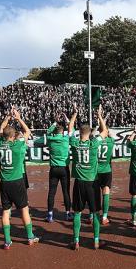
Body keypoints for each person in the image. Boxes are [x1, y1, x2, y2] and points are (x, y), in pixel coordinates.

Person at [0, 108, 39, 249]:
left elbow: (1, 130)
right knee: (24, 210)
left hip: (4, 183)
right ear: (14, 137)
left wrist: (7, 117)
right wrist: (19, 118)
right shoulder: (18, 145)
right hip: (17, 181)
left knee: (6, 212)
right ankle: (30, 237)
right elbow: (27, 132)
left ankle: (7, 241)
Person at [68, 104, 108, 250]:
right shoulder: (93, 144)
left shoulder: (75, 143)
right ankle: (96, 240)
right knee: (96, 212)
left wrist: (74, 114)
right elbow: (105, 131)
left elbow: (69, 129)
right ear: (90, 132)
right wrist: (99, 116)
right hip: (92, 183)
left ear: (80, 132)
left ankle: (76, 240)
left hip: (79, 183)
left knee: (77, 212)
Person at [45, 114, 71, 223]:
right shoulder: (65, 139)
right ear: (62, 131)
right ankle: (68, 214)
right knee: (66, 192)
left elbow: (48, 132)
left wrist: (55, 122)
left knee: (52, 192)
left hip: (54, 169)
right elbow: (71, 129)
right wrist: (66, 119)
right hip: (64, 169)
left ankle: (50, 215)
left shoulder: (50, 139)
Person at [97, 124, 115, 225]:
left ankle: (92, 215)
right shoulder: (111, 141)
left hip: (95, 171)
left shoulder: (95, 141)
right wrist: (108, 132)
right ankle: (104, 217)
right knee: (106, 192)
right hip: (106, 170)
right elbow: (112, 137)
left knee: (94, 194)